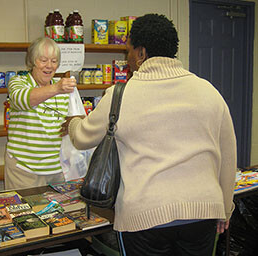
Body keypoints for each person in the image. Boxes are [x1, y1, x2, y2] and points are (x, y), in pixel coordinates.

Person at [61, 14, 237, 256]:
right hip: (203, 213)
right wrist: (225, 210)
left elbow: (82, 138)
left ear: (141, 53)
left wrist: (73, 122)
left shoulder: (119, 95)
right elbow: (228, 157)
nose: (128, 58)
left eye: (129, 51)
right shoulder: (209, 92)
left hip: (144, 218)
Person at [5, 37, 76, 190]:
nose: (49, 66)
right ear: (32, 61)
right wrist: (56, 88)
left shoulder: (64, 89)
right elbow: (22, 99)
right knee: (24, 212)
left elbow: (75, 120)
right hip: (24, 170)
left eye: (54, 61)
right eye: (43, 60)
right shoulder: (18, 82)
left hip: (58, 170)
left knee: (59, 213)